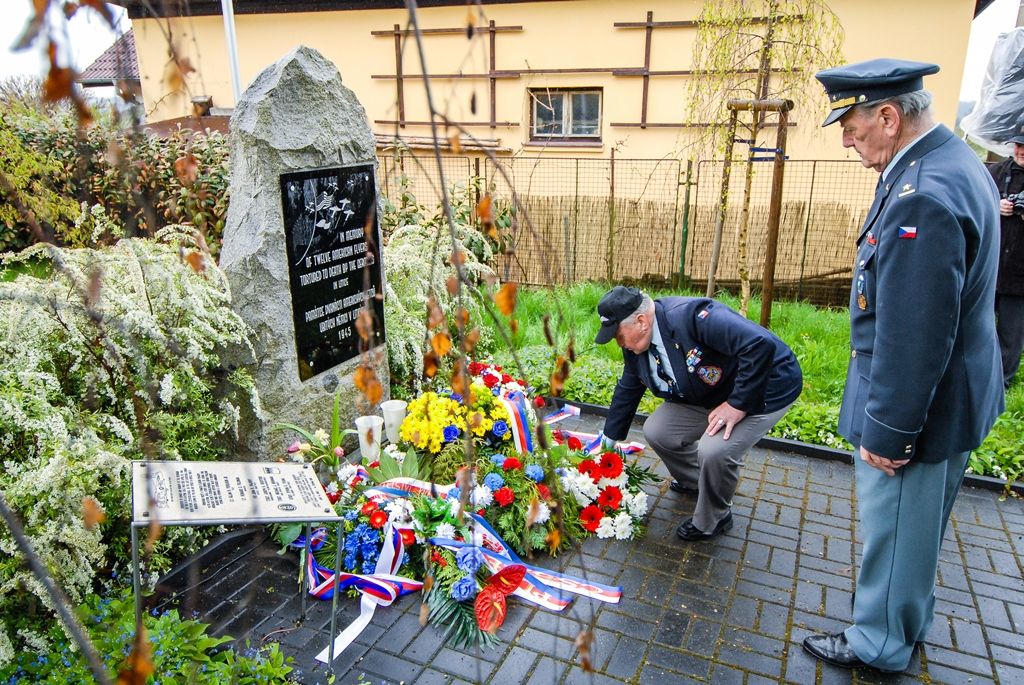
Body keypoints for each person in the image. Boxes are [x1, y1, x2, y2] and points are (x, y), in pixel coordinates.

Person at [802, 58, 1004, 673]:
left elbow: (913, 333)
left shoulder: (923, 197)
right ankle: (906, 623)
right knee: (916, 535)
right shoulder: (953, 163)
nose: (846, 141)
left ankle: (879, 644)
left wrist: (890, 433)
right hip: (956, 394)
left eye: (852, 127)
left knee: (893, 534)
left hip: (920, 409)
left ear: (889, 117)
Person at [595, 286, 802, 541]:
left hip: (764, 387)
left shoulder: (694, 318)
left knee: (714, 450)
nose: (619, 343)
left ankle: (714, 517)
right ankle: (697, 482)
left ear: (641, 321)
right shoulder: (636, 345)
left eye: (618, 335)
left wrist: (737, 404)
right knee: (658, 431)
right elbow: (630, 386)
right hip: (711, 392)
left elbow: (760, 345)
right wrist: (608, 440)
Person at [988, 125, 1024, 389]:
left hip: (1020, 274)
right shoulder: (996, 172)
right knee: (976, 327)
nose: (1021, 151)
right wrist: (994, 204)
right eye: (1019, 145)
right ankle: (973, 376)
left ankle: (1001, 385)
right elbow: (974, 203)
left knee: (1011, 335)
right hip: (990, 268)